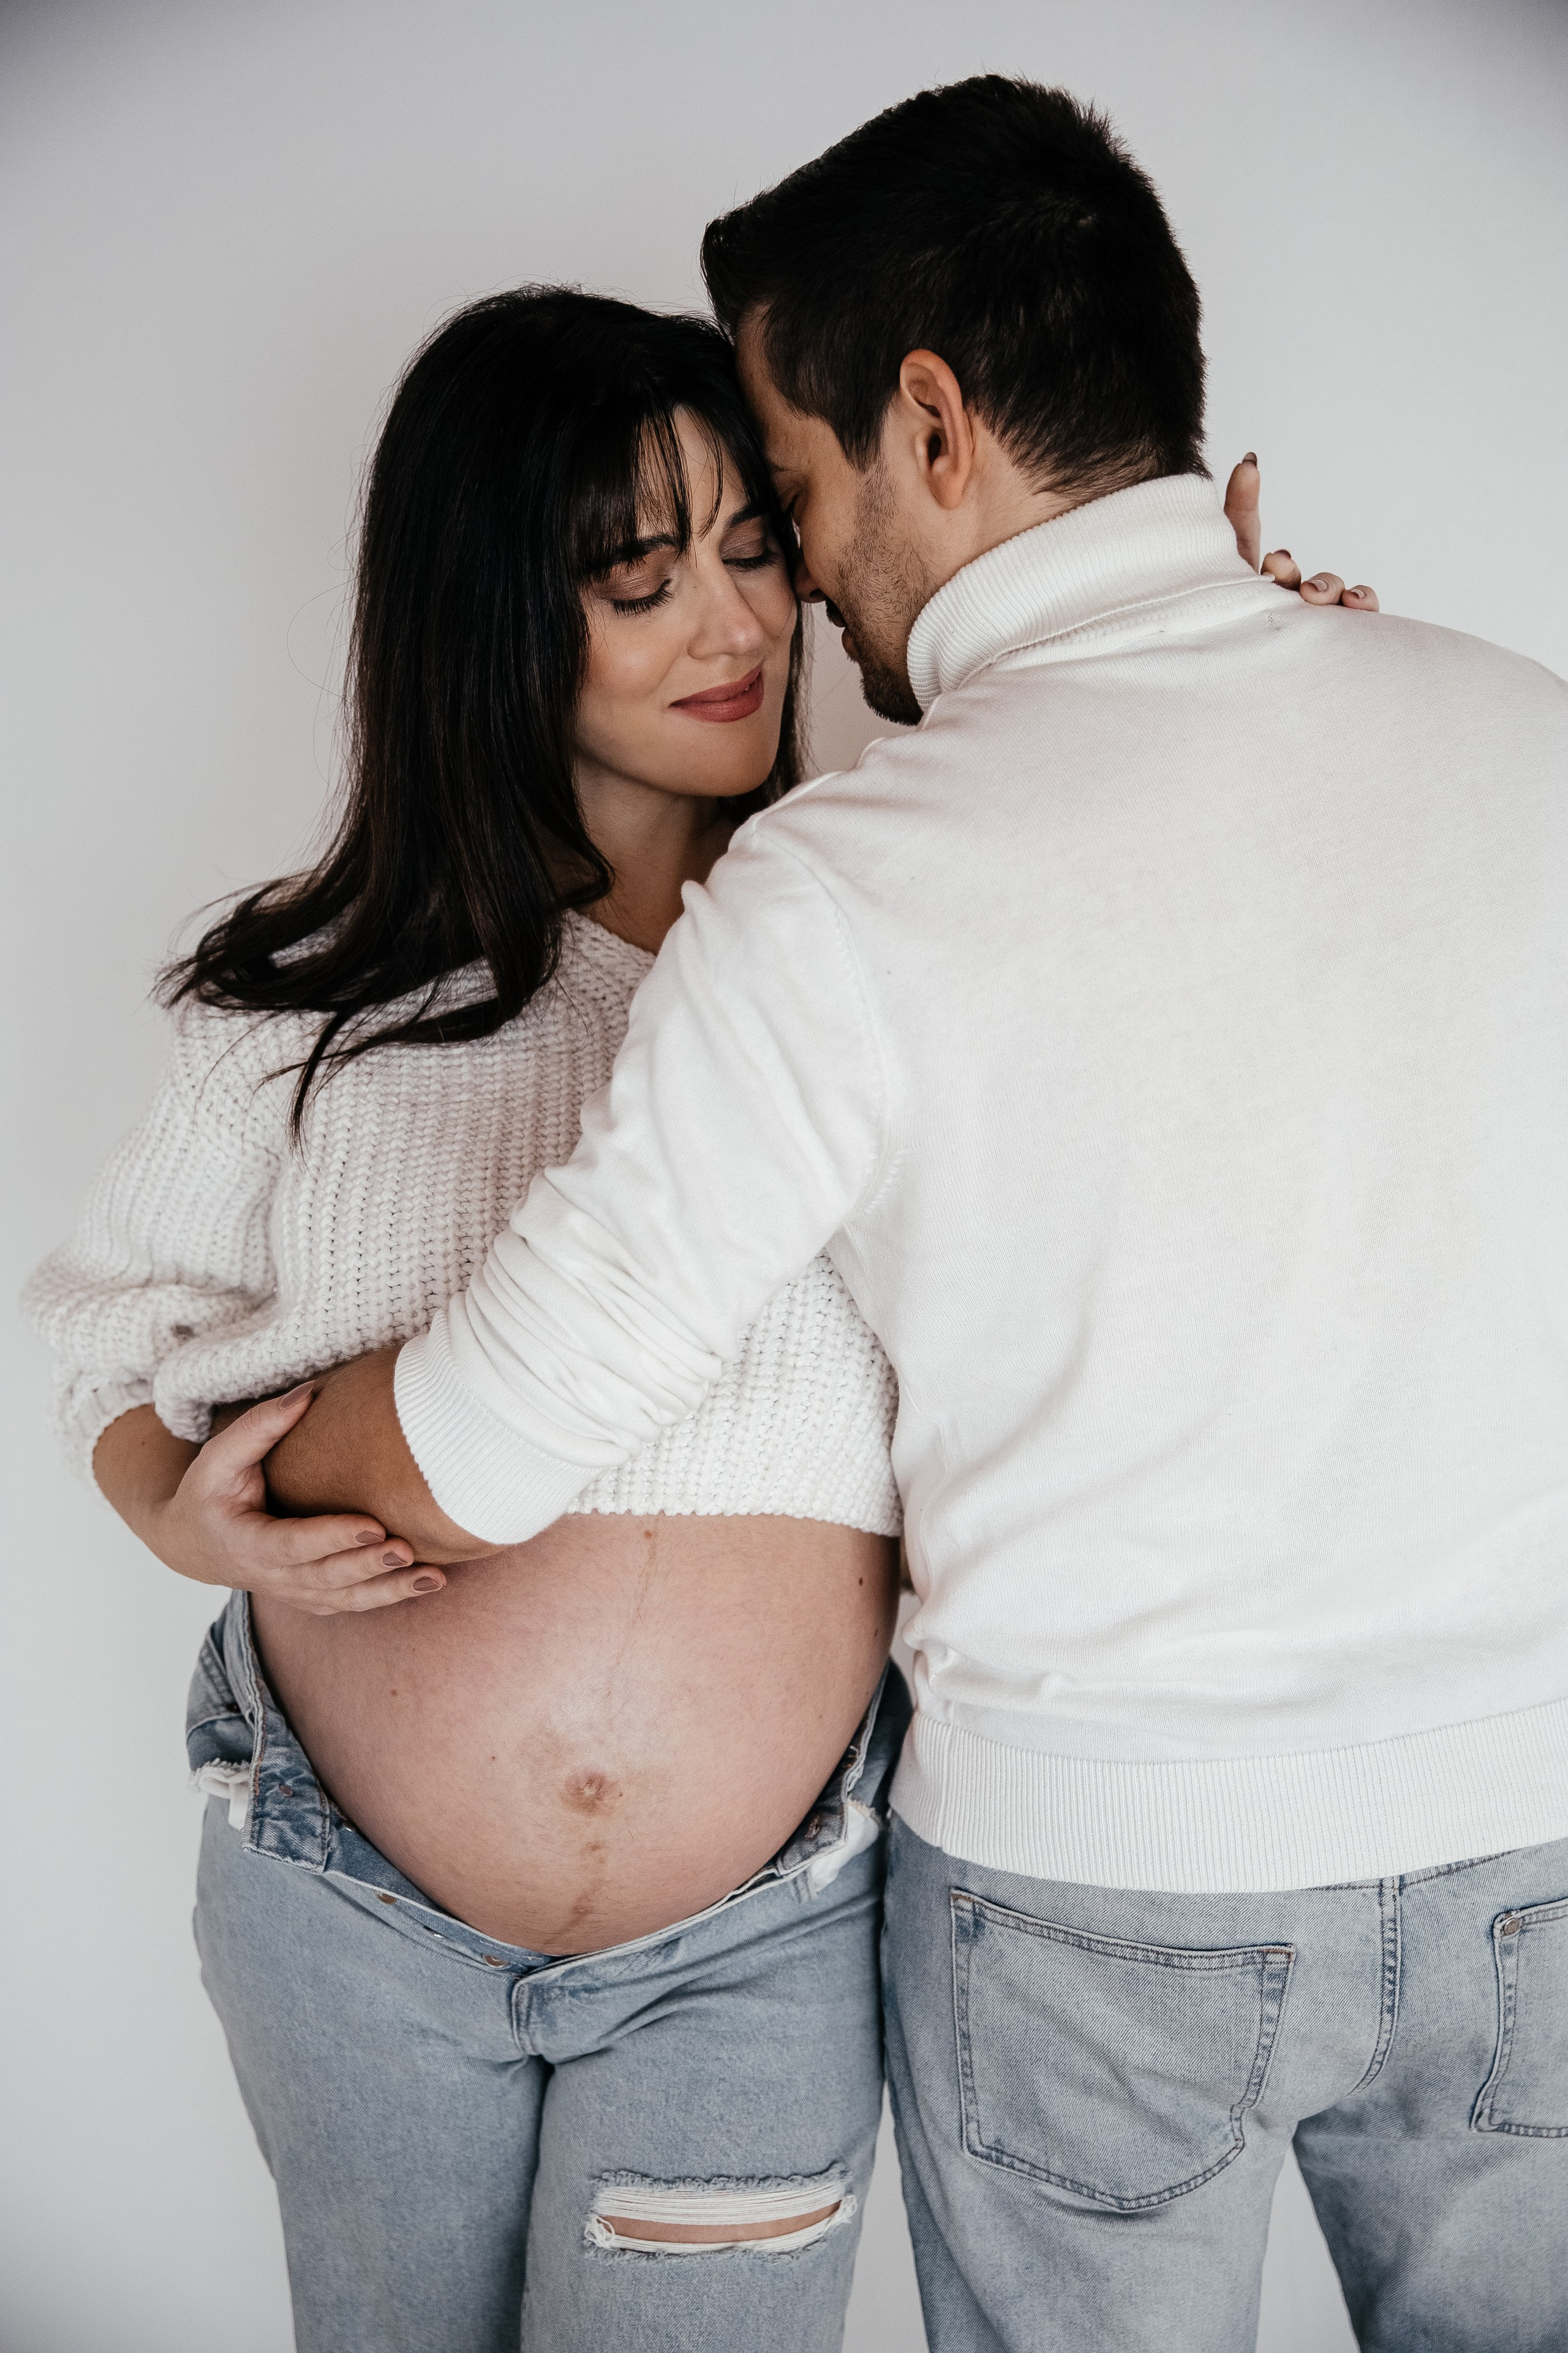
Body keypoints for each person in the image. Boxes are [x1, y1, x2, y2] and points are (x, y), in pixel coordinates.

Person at [258, 77, 1568, 2353]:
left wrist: (240, 1463)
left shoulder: (848, 891)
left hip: (1099, 1894)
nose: (794, 574)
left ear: (933, 420)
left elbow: (494, 1435)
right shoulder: (1529, 734)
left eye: (788, 489)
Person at [28, 289, 912, 2353]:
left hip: (760, 1935)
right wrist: (184, 1515)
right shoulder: (300, 1013)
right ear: (494, 614)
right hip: (346, 1925)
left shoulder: (871, 968)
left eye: (752, 546)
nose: (733, 625)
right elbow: (98, 1336)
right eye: (638, 575)